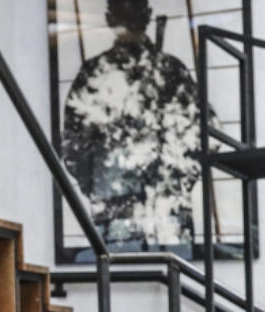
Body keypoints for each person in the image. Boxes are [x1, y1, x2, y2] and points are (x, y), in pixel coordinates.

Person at [62, 0, 206, 253]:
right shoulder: (96, 74)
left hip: (161, 211)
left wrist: (171, 184)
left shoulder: (169, 71)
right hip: (122, 211)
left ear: (109, 18)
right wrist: (103, 187)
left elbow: (199, 139)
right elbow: (73, 148)